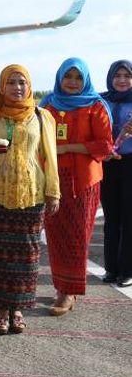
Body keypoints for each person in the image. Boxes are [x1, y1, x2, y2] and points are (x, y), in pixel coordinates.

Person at [0, 64, 60, 334]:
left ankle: (18, 308)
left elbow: (50, 155)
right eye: (11, 82)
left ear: (29, 85)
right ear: (1, 86)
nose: (17, 88)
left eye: (22, 82)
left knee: (27, 255)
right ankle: (0, 309)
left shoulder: (42, 116)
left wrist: (53, 191)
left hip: (31, 193)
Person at [40, 58, 113, 313]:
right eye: (68, 77)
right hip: (52, 180)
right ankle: (62, 286)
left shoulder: (95, 106)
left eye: (77, 77)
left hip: (83, 183)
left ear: (86, 80)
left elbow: (105, 146)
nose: (72, 82)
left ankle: (67, 292)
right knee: (56, 237)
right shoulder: (47, 105)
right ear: (60, 78)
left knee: (77, 237)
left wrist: (66, 148)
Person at [100, 59, 132, 288]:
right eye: (117, 75)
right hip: (107, 164)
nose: (122, 80)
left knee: (129, 219)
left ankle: (127, 271)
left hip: (131, 164)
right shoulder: (102, 100)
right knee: (111, 219)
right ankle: (111, 268)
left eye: (127, 76)